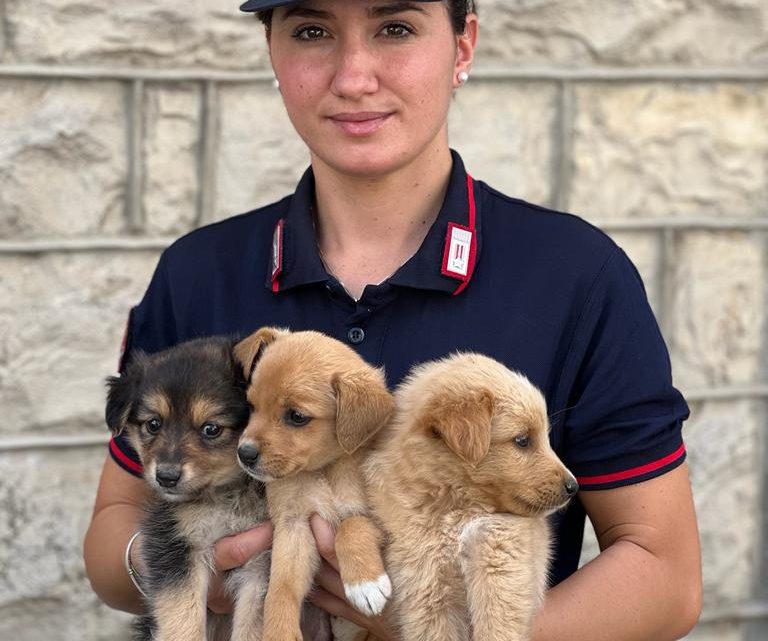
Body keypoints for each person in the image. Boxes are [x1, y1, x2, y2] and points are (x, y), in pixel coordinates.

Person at [84, 1, 703, 639]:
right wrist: (188, 569)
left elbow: (665, 574)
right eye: (312, 31)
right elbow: (115, 529)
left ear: (462, 46)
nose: (353, 77)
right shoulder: (197, 271)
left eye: (396, 28)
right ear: (272, 49)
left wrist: (433, 627)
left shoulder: (577, 274)